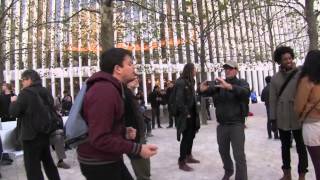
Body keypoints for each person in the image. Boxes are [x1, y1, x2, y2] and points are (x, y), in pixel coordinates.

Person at [77, 48, 157, 180]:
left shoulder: (111, 88)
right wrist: (137, 149)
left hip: (107, 158)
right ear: (118, 69)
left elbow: (102, 127)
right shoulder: (104, 91)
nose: (134, 68)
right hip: (100, 163)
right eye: (130, 64)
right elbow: (99, 138)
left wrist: (122, 132)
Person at [199, 61, 250, 180]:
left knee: (239, 155)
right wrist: (201, 90)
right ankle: (228, 170)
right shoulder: (219, 85)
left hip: (236, 124)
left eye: (230, 68)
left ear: (236, 70)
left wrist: (230, 87)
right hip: (222, 125)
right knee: (223, 151)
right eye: (226, 69)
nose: (227, 70)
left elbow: (245, 92)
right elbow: (205, 92)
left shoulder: (241, 82)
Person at [9, 70, 61, 180]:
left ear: (29, 79)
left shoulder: (25, 93)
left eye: (23, 80)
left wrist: (13, 101)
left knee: (32, 168)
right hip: (45, 132)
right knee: (48, 162)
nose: (22, 82)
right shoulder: (45, 91)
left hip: (30, 136)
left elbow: (14, 113)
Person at [269, 46, 308, 180]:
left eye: (290, 58)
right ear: (280, 61)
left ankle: (302, 175)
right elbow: (272, 100)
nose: (289, 61)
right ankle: (287, 174)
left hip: (298, 115)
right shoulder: (275, 79)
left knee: (301, 148)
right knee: (285, 147)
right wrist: (273, 119)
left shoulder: (301, 74)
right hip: (283, 116)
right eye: (285, 59)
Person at [294, 50, 320, 180]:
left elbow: (299, 105)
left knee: (318, 164)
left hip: (312, 126)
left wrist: (303, 113)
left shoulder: (306, 80)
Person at [125, 77, 151, 180]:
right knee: (142, 169)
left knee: (144, 166)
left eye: (137, 78)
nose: (137, 80)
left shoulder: (131, 94)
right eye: (133, 79)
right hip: (135, 137)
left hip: (139, 134)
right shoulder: (125, 95)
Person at [175, 63, 200, 172]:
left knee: (192, 135)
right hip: (186, 115)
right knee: (186, 137)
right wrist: (186, 113)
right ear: (190, 70)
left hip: (193, 113)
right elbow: (179, 101)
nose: (196, 71)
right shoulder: (180, 82)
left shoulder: (191, 82)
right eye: (194, 69)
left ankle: (188, 155)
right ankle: (181, 161)